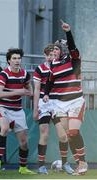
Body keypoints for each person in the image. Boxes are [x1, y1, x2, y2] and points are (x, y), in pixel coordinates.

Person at [43, 20, 88, 175]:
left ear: (63, 49)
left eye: (56, 48)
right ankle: (79, 164)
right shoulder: (54, 64)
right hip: (61, 104)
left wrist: (68, 31)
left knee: (74, 132)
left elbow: (73, 47)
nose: (54, 51)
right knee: (69, 135)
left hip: (75, 101)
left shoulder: (73, 59)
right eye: (53, 49)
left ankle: (82, 163)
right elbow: (50, 81)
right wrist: (46, 94)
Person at [0, 48, 36, 175]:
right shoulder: (4, 74)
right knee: (4, 128)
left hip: (17, 110)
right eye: (14, 58)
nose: (17, 61)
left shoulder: (25, 74)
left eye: (18, 58)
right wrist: (18, 92)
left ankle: (23, 167)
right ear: (9, 61)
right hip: (2, 107)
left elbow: (29, 90)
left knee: (24, 143)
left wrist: (29, 92)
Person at [33, 44, 74, 175]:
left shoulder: (60, 67)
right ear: (45, 56)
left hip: (57, 103)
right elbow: (37, 89)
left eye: (53, 54)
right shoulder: (39, 69)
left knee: (63, 135)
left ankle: (65, 163)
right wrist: (35, 109)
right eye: (49, 54)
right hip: (44, 104)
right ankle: (41, 166)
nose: (51, 57)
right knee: (44, 134)